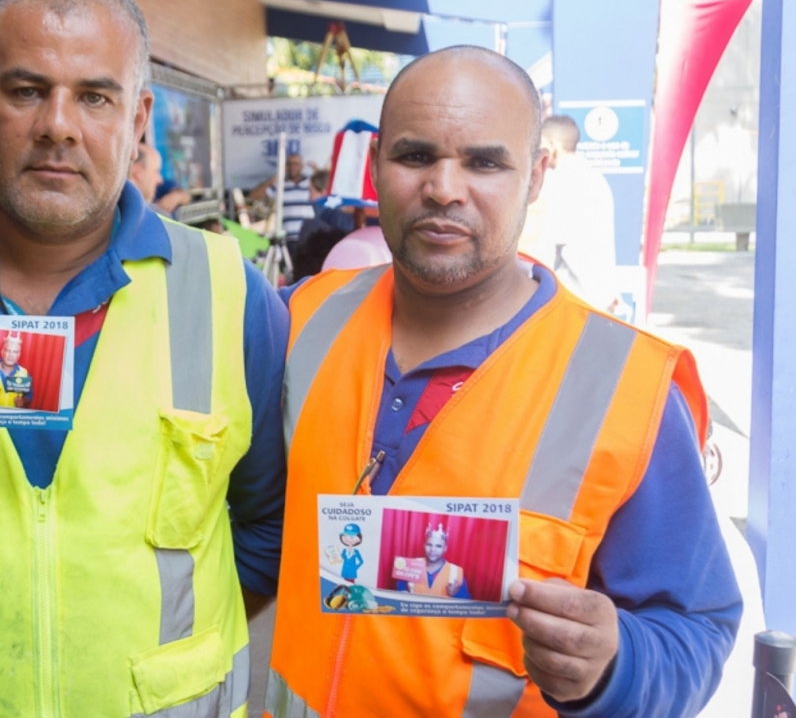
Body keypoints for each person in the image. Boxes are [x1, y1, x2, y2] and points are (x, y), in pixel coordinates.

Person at [266, 46, 742, 717]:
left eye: (485, 162)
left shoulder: (625, 388)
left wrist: (613, 664)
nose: (444, 188)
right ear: (375, 167)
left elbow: (694, 629)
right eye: (415, 156)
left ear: (538, 174)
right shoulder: (300, 319)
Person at [0, 0, 287, 717]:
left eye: (95, 96)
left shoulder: (231, 294)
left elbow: (266, 521)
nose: (58, 124)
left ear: (139, 121)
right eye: (24, 90)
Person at [520, 115, 619, 312]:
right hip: (599, 296)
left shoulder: (561, 182)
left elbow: (546, 247)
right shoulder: (595, 178)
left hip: (576, 297)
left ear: (551, 144)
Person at [249, 152, 315, 259]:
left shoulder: (311, 184)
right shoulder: (279, 186)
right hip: (289, 239)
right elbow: (253, 196)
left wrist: (317, 170)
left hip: (308, 237)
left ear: (302, 166)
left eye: (296, 164)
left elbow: (326, 188)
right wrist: (276, 177)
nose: (292, 166)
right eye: (289, 164)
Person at [395, 522, 470, 599]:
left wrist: (457, 594)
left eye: (438, 546)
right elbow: (399, 594)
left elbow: (466, 603)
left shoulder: (455, 571)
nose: (433, 550)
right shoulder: (410, 565)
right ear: (424, 546)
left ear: (445, 548)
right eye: (429, 545)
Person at [0, 332, 32, 408]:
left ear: (19, 355)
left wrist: (23, 401)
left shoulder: (25, 373)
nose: (11, 355)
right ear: (2, 352)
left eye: (15, 352)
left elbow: (29, 396)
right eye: (8, 351)